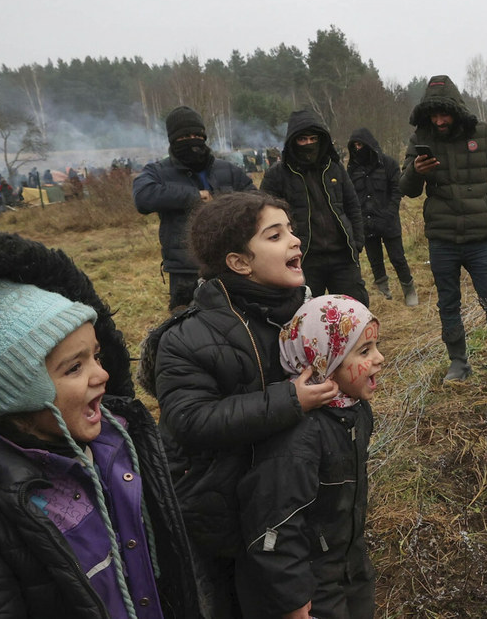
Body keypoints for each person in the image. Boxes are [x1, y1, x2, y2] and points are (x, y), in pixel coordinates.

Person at [0, 231, 201, 618]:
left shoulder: (119, 449)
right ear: (12, 392)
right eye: (74, 367)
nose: (102, 375)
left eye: (97, 355)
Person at [140, 191, 340, 619]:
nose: (295, 241)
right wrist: (291, 400)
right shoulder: (187, 338)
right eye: (275, 235)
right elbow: (189, 419)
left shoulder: (303, 318)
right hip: (218, 513)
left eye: (291, 230)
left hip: (286, 502)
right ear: (239, 263)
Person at [237, 294, 382, 619]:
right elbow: (276, 523)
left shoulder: (355, 412)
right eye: (364, 351)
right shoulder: (300, 437)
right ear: (323, 361)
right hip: (313, 586)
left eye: (376, 346)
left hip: (350, 566)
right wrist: (292, 599)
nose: (379, 358)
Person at [399, 75, 487, 386]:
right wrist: (415, 171)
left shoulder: (484, 133)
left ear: (456, 109)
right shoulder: (420, 138)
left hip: (479, 238)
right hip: (442, 239)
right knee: (448, 302)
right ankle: (458, 362)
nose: (439, 120)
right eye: (434, 114)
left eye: (444, 113)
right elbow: (407, 189)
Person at [133, 105, 257, 311]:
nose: (192, 141)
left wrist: (227, 203)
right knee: (187, 328)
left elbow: (257, 200)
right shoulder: (158, 172)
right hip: (185, 270)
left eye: (196, 135)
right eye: (183, 137)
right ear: (172, 140)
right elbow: (143, 197)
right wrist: (193, 197)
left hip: (231, 264)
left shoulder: (229, 170)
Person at [260, 110, 369, 305]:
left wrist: (357, 242)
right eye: (302, 139)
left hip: (343, 255)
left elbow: (353, 206)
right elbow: (265, 220)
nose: (309, 144)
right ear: (293, 141)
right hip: (303, 258)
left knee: (355, 310)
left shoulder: (334, 168)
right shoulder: (277, 175)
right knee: (305, 316)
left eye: (313, 138)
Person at [348, 128, 417, 306]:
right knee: (375, 261)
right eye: (355, 145)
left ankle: (409, 289)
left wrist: (389, 213)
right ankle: (383, 292)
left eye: (361, 144)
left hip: (388, 221)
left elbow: (397, 190)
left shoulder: (388, 164)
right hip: (366, 223)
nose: (358, 148)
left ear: (369, 144)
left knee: (398, 258)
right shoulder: (352, 168)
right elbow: (350, 196)